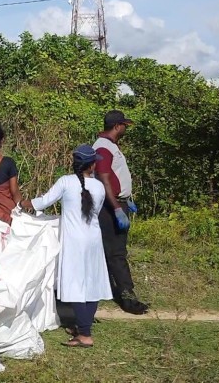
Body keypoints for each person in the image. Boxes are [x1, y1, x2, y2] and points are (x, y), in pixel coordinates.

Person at [22, 144, 112, 348]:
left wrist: (22, 203)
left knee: (75, 284)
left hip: (74, 241)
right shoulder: (98, 186)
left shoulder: (65, 182)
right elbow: (94, 211)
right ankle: (83, 326)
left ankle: (85, 334)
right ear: (91, 165)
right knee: (91, 282)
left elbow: (42, 202)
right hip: (93, 239)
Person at [93, 110, 148, 315]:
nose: (126, 128)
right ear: (117, 126)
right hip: (110, 206)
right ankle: (127, 297)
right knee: (116, 253)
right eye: (124, 125)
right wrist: (117, 207)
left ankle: (113, 290)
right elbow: (104, 178)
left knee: (113, 251)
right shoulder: (103, 148)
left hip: (118, 202)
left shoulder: (110, 146)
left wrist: (127, 199)